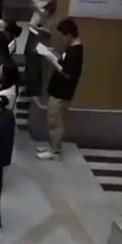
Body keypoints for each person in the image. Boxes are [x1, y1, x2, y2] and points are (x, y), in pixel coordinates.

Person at [38, 18, 83, 161]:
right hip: (58, 90)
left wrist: (52, 60)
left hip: (62, 93)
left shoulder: (75, 52)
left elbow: (68, 73)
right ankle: (52, 146)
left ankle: (55, 150)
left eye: (63, 35)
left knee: (55, 121)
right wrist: (53, 55)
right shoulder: (71, 49)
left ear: (69, 34)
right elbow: (64, 62)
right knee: (53, 120)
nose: (62, 39)